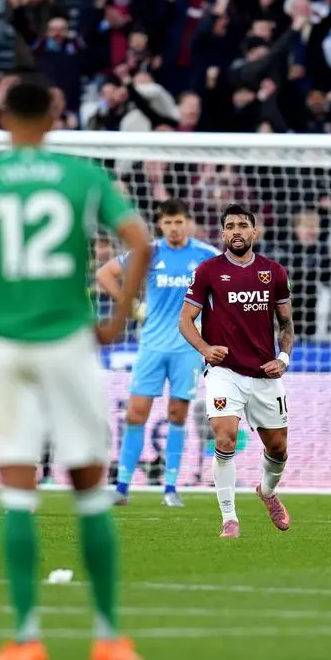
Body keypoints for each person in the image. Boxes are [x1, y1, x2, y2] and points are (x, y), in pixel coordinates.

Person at [0, 74, 152, 660]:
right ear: (54, 115)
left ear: (1, 117)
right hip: (68, 341)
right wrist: (117, 317)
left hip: (4, 346)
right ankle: (109, 639)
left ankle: (26, 639)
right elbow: (138, 241)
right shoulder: (83, 176)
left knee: (17, 495)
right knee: (91, 495)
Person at [179, 204, 294, 539]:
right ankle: (229, 518)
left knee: (278, 449)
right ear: (223, 233)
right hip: (224, 372)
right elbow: (185, 321)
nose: (237, 231)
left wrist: (283, 358)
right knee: (225, 437)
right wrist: (205, 349)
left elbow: (286, 323)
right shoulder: (208, 272)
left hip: (264, 373)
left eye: (243, 225)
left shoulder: (274, 272)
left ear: (254, 232)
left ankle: (268, 492)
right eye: (230, 226)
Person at [96, 197, 218, 507]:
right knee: (136, 414)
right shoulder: (149, 253)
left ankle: (171, 488)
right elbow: (104, 274)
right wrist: (131, 304)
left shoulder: (206, 256)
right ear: (160, 225)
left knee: (177, 415)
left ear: (187, 223)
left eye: (179, 222)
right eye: (168, 223)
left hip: (187, 349)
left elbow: (229, 284)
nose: (174, 228)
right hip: (152, 346)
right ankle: (122, 486)